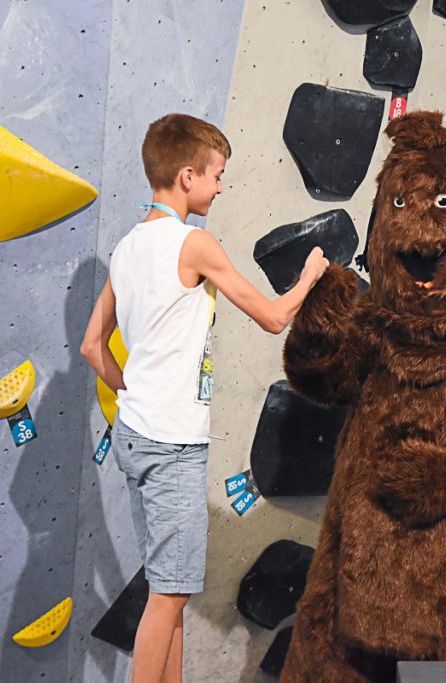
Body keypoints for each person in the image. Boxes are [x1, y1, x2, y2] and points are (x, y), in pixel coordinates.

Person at [81, 113, 328, 683]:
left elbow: (93, 346)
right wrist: (310, 275)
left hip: (135, 435)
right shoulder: (193, 243)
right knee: (169, 596)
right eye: (217, 175)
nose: (220, 186)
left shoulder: (127, 247)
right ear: (187, 175)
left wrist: (133, 389)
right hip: (171, 444)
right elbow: (272, 316)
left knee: (170, 588)